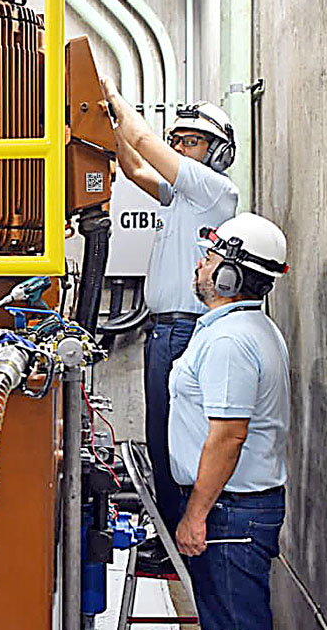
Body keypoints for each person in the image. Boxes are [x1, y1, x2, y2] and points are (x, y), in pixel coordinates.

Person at [101, 79, 239, 530]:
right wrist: (111, 124)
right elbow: (134, 168)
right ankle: (168, 529)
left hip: (183, 330)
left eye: (190, 141)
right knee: (159, 436)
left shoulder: (213, 189)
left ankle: (183, 529)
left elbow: (144, 142)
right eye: (176, 140)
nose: (179, 148)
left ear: (218, 153)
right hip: (163, 330)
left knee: (176, 439)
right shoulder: (183, 193)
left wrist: (113, 96)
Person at [170, 212, 291, 630]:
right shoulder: (242, 329)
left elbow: (228, 437)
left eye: (211, 257)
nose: (201, 264)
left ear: (229, 276)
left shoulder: (230, 341)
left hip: (229, 514)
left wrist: (195, 515)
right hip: (234, 510)